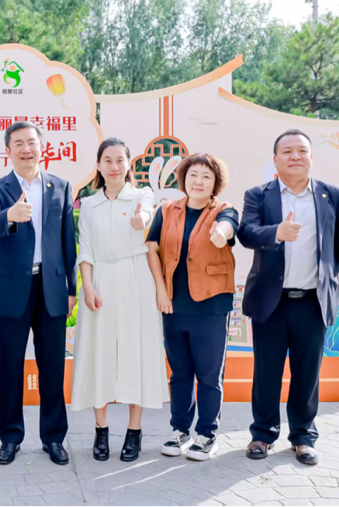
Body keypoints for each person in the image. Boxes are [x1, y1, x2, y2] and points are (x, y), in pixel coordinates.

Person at [239, 129, 339, 466]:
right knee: (267, 372)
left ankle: (303, 437)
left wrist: (324, 273)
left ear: (311, 157)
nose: (295, 156)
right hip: (270, 302)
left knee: (307, 373)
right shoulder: (258, 195)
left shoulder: (331, 195)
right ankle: (262, 434)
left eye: (302, 151)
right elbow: (246, 233)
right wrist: (276, 232)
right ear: (275, 159)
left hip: (312, 301)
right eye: (287, 151)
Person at [0, 121, 77, 466]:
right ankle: (10, 437)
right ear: (8, 150)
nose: (26, 149)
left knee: (52, 367)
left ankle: (54, 438)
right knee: (10, 367)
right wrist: (10, 215)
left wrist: (71, 288)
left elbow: (68, 240)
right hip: (11, 291)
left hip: (51, 289)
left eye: (32, 142)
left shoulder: (60, 186)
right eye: (19, 143)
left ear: (41, 147)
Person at [71, 137, 168, 462]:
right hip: (99, 281)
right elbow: (85, 248)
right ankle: (101, 429)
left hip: (135, 278)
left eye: (120, 160)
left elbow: (146, 213)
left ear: (129, 164)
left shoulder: (141, 195)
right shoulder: (89, 204)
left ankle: (134, 430)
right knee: (98, 352)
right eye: (107, 160)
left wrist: (142, 219)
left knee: (134, 351)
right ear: (98, 166)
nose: (114, 166)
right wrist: (87, 287)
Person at [146, 153, 239, 461]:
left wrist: (221, 233)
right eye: (193, 175)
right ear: (184, 179)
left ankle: (207, 434)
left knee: (209, 375)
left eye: (206, 176)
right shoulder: (167, 210)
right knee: (180, 373)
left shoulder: (224, 210)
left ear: (215, 183)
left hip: (211, 306)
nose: (198, 181)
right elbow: (152, 249)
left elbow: (228, 227)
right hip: (174, 305)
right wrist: (161, 291)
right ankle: (180, 430)